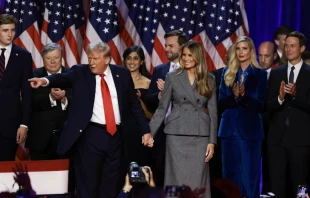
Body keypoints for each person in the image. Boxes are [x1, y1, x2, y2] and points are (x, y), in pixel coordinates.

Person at [28, 42, 153, 198]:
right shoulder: (81, 72)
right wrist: (44, 81)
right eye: (90, 58)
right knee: (88, 183)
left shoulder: (122, 74)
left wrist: (146, 131)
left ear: (107, 59)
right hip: (91, 135)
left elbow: (134, 105)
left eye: (95, 59)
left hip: (117, 137)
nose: (91, 62)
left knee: (111, 183)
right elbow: (62, 78)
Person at [149, 40, 217, 198]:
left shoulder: (210, 79)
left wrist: (212, 142)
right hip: (176, 134)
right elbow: (162, 108)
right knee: (176, 180)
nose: (186, 58)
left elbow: (213, 113)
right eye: (184, 55)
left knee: (198, 181)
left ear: (198, 57)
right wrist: (149, 132)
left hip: (200, 136)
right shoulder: (172, 77)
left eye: (190, 55)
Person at [218, 36, 268, 198]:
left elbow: (261, 105)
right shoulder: (227, 72)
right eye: (238, 49)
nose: (241, 52)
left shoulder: (260, 74)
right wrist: (233, 97)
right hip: (229, 130)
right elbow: (220, 103)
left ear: (251, 51)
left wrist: (244, 96)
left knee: (249, 176)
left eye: (244, 48)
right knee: (230, 176)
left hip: (250, 131)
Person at [266, 31, 310, 198]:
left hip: (301, 141)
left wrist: (295, 96)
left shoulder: (309, 73)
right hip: (277, 141)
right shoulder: (276, 73)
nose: (289, 49)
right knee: (277, 187)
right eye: (286, 46)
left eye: (293, 46)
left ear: (302, 48)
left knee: (301, 187)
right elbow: (268, 105)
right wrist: (280, 98)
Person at [145, 30, 189, 187]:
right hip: (163, 132)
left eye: (171, 45)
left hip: (185, 131)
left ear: (182, 46)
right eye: (165, 45)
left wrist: (172, 92)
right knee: (160, 170)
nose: (167, 49)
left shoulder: (192, 70)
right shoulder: (160, 70)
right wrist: (161, 95)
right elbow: (149, 99)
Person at [26, 43, 72, 160]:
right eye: (48, 58)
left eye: (56, 58)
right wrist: (50, 97)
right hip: (40, 141)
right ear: (43, 59)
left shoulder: (73, 75)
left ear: (62, 58)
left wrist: (64, 100)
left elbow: (82, 103)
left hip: (67, 140)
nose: (53, 62)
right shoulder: (33, 76)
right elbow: (28, 103)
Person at [0, 14, 32, 161]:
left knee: (5, 168)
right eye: (5, 30)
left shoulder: (24, 56)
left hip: (9, 125)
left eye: (12, 30)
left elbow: (27, 93)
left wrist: (24, 124)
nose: (10, 34)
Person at [122, 46, 152, 167]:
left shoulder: (148, 83)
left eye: (135, 58)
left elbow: (152, 115)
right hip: (120, 131)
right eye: (128, 58)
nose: (132, 62)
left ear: (141, 61)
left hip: (140, 132)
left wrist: (139, 100)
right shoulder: (117, 80)